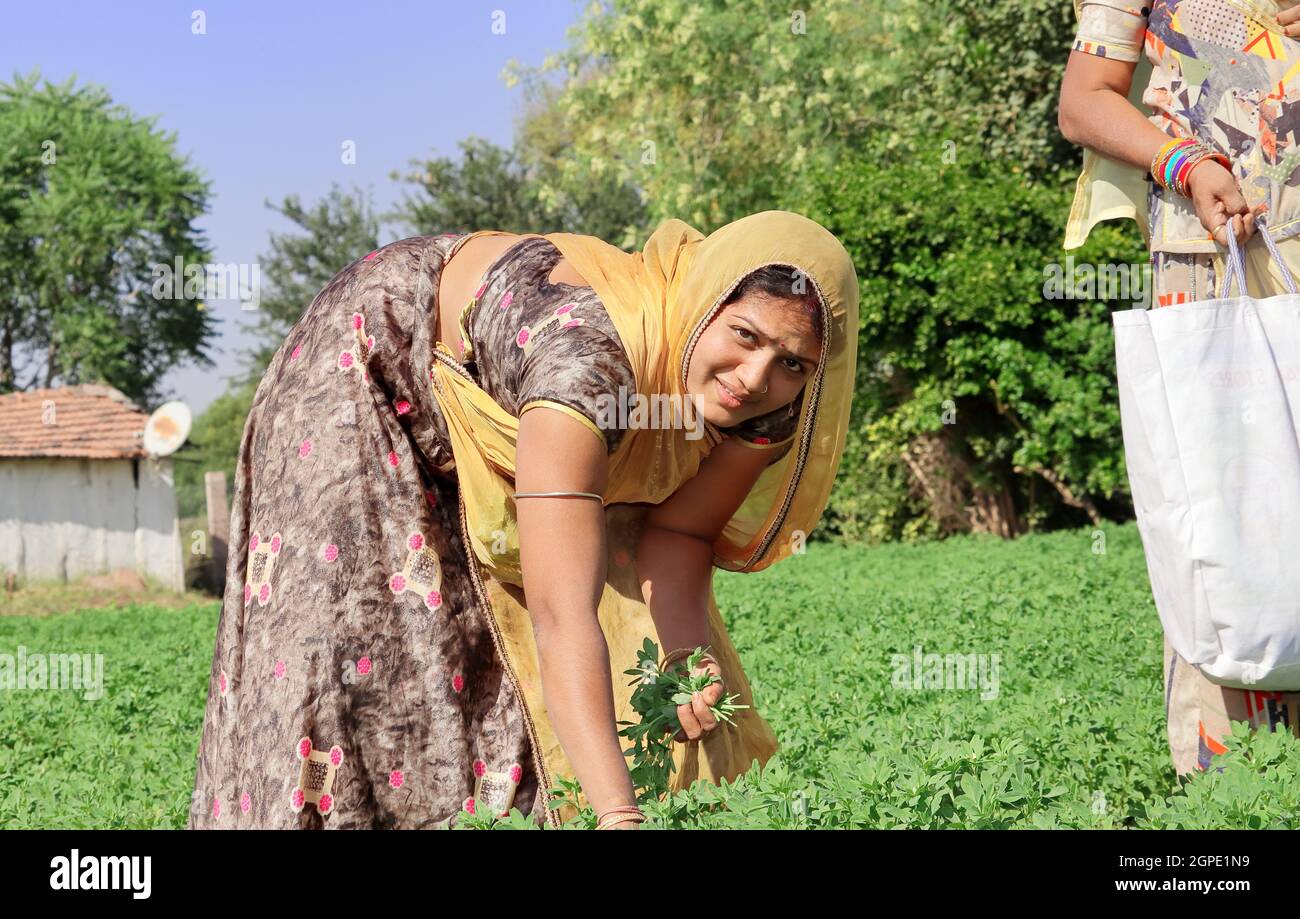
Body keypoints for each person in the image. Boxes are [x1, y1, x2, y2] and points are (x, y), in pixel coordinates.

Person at [186, 210, 859, 828]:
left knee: (497, 683)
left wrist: (682, 652)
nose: (753, 376)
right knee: (350, 664)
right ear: (708, 301)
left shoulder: (772, 403)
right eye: (745, 335)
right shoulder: (585, 365)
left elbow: (677, 531)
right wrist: (620, 818)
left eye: (791, 362)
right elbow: (561, 617)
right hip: (370, 360)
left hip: (517, 400)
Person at [1058, 0, 1300, 776]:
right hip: (1219, 250)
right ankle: (1237, 800)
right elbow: (1084, 98)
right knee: (1229, 513)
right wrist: (1187, 165)